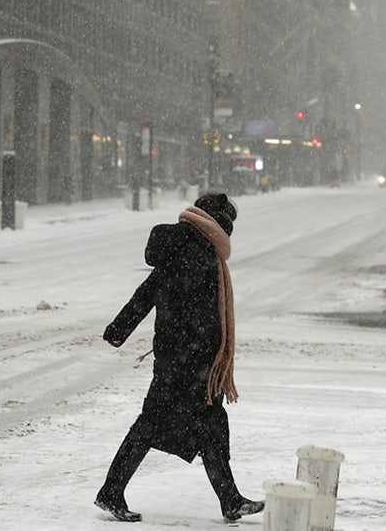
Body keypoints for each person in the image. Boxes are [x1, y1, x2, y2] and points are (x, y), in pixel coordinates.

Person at [96, 192, 263, 524]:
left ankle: (229, 500)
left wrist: (120, 328)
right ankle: (111, 491)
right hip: (185, 363)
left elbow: (147, 292)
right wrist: (201, 350)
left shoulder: (188, 246)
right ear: (219, 223)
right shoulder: (195, 251)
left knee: (209, 426)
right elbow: (187, 311)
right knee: (153, 425)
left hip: (188, 361)